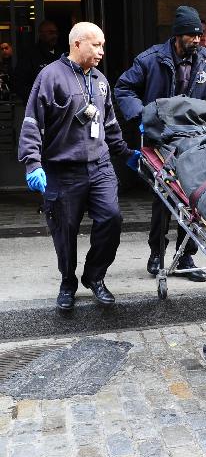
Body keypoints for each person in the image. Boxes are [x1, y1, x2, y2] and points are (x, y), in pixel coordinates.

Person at [18, 22, 135, 312]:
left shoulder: (100, 80)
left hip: (100, 166)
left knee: (111, 218)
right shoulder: (50, 76)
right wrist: (33, 162)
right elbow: (33, 122)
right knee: (65, 232)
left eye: (103, 45)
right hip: (62, 170)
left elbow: (109, 123)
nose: (101, 51)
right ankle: (67, 282)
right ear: (77, 44)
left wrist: (125, 152)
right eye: (96, 45)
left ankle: (95, 276)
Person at [115, 5, 206, 282]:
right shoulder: (151, 59)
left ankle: (186, 255)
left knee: (193, 198)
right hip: (159, 139)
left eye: (199, 35)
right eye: (192, 36)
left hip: (195, 140)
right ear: (178, 35)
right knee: (163, 198)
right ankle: (157, 253)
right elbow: (123, 88)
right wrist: (142, 116)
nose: (198, 41)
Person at [15, 20, 62, 103]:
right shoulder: (30, 56)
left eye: (56, 33)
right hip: (38, 107)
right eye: (51, 32)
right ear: (41, 34)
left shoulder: (62, 55)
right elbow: (20, 84)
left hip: (61, 108)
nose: (54, 36)